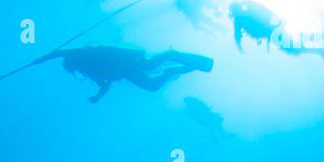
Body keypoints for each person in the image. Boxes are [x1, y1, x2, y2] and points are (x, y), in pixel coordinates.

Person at [38, 44, 213, 102]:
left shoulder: (80, 55)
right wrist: (98, 96)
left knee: (150, 65)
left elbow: (58, 53)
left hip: (124, 61)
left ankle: (170, 55)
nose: (75, 71)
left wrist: (42, 59)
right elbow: (105, 84)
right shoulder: (89, 71)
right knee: (152, 86)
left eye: (72, 68)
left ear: (72, 63)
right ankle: (170, 71)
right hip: (124, 72)